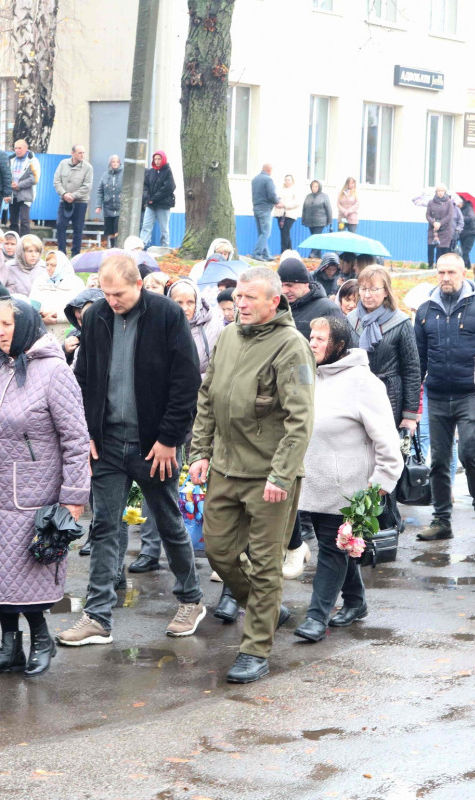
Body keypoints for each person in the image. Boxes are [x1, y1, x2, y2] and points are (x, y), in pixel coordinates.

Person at [58, 255, 204, 647]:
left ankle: (191, 599)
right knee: (104, 526)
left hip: (154, 445)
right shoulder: (96, 316)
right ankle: (97, 616)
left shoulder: (167, 315)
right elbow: (82, 377)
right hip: (107, 443)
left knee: (168, 521)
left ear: (138, 284)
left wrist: (170, 439)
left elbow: (186, 381)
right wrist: (87, 431)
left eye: (118, 294)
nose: (112, 301)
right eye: (106, 294)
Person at [189, 267, 314, 684]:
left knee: (265, 565)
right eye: (237, 297)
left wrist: (281, 475)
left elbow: (300, 419)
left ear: (274, 301)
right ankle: (269, 609)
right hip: (226, 467)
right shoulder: (227, 337)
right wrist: (200, 452)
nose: (239, 304)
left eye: (249, 298)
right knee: (219, 551)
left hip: (268, 476)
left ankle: (255, 649)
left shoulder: (292, 346)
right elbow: (208, 398)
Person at [0, 299, 90, 676]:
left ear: (26, 324)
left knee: (26, 575)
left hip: (34, 494)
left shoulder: (54, 372)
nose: (1, 332)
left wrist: (74, 497)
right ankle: (9, 647)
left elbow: (76, 440)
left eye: (8, 324)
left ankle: (42, 640)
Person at [294, 315, 402, 643]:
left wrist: (381, 481)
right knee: (338, 546)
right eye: (311, 336)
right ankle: (356, 601)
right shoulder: (307, 373)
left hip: (348, 490)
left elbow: (387, 439)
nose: (312, 343)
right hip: (311, 484)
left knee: (331, 549)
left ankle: (316, 616)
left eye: (320, 339)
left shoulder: (363, 383)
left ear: (339, 345)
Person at [415, 253, 475, 542]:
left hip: (470, 395)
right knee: (438, 460)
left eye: (451, 272)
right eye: (441, 272)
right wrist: (413, 402)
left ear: (464, 273)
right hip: (437, 394)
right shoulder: (425, 310)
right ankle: (441, 520)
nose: (446, 277)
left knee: (469, 453)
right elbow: (418, 360)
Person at [347, 266, 421, 432]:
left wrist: (409, 414)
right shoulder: (351, 320)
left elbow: (412, 370)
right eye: (363, 289)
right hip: (355, 396)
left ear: (386, 291)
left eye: (374, 289)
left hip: (389, 398)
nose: (367, 295)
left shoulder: (401, 322)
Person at [168, 279, 225, 377]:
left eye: (190, 302)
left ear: (197, 303)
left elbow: (221, 366)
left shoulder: (215, 327)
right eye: (179, 302)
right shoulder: (161, 325)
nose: (185, 308)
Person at [278, 257, 342, 338]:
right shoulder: (277, 307)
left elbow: (341, 341)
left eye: (289, 285)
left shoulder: (328, 309)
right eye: (281, 286)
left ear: (306, 283)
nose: (284, 291)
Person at [30, 250, 86, 340]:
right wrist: (42, 319)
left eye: (53, 265)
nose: (49, 268)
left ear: (62, 266)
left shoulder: (76, 283)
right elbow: (31, 308)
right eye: (47, 264)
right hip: (43, 336)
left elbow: (81, 312)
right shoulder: (39, 282)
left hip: (68, 336)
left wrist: (58, 316)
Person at [53, 145, 94, 256]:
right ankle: (61, 253)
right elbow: (56, 181)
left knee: (78, 228)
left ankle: (75, 254)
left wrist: (73, 195)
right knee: (60, 225)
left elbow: (87, 186)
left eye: (83, 153)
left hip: (80, 202)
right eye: (80, 153)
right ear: (72, 153)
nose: (82, 155)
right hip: (64, 201)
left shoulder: (88, 168)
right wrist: (64, 194)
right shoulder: (63, 164)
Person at [141, 151, 176, 247]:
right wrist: (147, 198)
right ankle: (141, 246)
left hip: (163, 205)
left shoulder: (168, 171)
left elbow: (169, 187)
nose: (157, 161)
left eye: (159, 159)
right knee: (146, 226)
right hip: (150, 205)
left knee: (164, 229)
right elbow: (145, 186)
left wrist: (154, 198)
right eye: (155, 159)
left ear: (163, 159)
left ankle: (165, 247)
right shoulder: (150, 172)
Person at [62, 288, 104, 365]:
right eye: (78, 319)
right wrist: (66, 351)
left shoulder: (112, 333)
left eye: (86, 319)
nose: (82, 324)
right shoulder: (74, 335)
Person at [6, 139, 39, 236]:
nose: (17, 150)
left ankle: (25, 241)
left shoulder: (33, 161)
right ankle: (14, 241)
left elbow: (34, 178)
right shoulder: (10, 160)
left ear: (26, 148)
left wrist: (19, 185)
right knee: (13, 221)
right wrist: (10, 184)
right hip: (13, 194)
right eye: (15, 148)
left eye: (19, 148)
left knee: (24, 221)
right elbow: (6, 175)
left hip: (26, 194)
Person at [250, 164, 281, 261]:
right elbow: (271, 194)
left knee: (262, 233)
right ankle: (256, 253)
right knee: (266, 233)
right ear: (269, 170)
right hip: (265, 209)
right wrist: (277, 202)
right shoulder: (268, 180)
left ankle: (267, 255)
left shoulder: (255, 179)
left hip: (256, 208)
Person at [425, 184, 456, 268]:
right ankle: (430, 265)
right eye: (439, 191)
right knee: (430, 247)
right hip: (433, 229)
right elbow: (428, 215)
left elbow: (450, 215)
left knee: (443, 249)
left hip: (445, 229)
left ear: (445, 192)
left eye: (442, 191)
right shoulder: (431, 202)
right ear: (436, 192)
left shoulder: (449, 202)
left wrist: (440, 223)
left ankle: (442, 266)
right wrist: (433, 222)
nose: (440, 192)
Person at [96, 154, 124, 247]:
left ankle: (118, 247)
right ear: (110, 163)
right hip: (108, 207)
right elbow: (100, 191)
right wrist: (98, 206)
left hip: (120, 207)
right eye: (113, 162)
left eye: (117, 162)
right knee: (110, 230)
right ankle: (112, 247)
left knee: (117, 229)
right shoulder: (105, 174)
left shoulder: (124, 174)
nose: (115, 164)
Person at [301, 180, 333, 258]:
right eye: (313, 186)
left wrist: (330, 221)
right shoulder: (308, 196)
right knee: (314, 237)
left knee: (316, 237)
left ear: (319, 187)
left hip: (320, 221)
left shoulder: (324, 196)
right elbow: (304, 208)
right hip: (310, 221)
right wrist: (303, 220)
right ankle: (318, 255)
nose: (314, 188)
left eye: (316, 186)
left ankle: (313, 253)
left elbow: (329, 208)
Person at [272, 175, 298, 254]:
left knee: (285, 232)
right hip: (280, 214)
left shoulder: (295, 190)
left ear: (292, 181)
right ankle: (289, 250)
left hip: (289, 214)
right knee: (283, 232)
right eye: (286, 179)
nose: (287, 181)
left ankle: (284, 250)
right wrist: (276, 204)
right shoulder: (280, 190)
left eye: (289, 180)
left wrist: (285, 205)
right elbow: (275, 199)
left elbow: (296, 203)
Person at [458, 194, 475, 269]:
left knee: (465, 251)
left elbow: (471, 218)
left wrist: (460, 218)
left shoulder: (468, 207)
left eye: (459, 202)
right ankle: (468, 266)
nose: (458, 204)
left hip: (471, 232)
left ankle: (462, 267)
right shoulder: (457, 209)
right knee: (463, 250)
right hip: (462, 233)